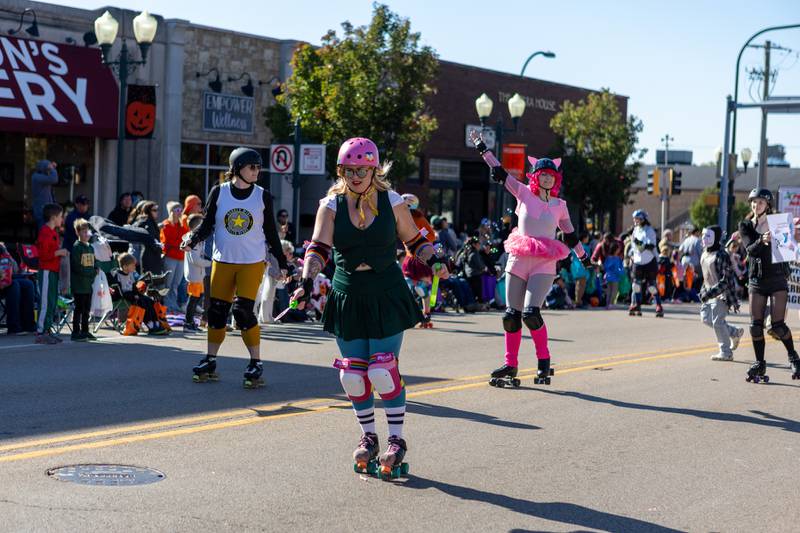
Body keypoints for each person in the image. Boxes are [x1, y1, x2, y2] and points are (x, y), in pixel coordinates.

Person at [290, 137, 441, 479]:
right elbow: (318, 248)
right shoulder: (331, 205)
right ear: (341, 171)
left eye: (363, 169)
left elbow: (414, 240)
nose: (356, 176)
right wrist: (306, 279)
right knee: (353, 375)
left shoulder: (393, 201)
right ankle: (369, 436)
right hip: (348, 293)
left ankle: (397, 440)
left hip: (385, 291)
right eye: (349, 170)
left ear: (375, 170)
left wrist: (436, 260)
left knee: (382, 370)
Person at [470, 130, 590, 388]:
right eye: (542, 174)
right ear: (535, 176)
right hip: (519, 256)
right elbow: (501, 173)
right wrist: (482, 148)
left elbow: (570, 235)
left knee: (531, 313)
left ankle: (543, 361)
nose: (546, 178)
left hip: (545, 262)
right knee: (511, 315)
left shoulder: (560, 205)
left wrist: (583, 257)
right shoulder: (523, 193)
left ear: (555, 178)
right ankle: (510, 364)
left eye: (551, 175)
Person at [182, 147, 287, 388]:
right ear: (238, 168)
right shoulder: (219, 192)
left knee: (242, 312)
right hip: (223, 261)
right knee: (216, 312)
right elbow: (207, 224)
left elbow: (271, 232)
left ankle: (255, 362)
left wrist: (282, 262)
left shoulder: (262, 195)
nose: (256, 171)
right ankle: (210, 359)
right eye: (252, 167)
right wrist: (192, 239)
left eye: (259, 167)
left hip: (251, 263)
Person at [739, 189, 800, 382]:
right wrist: (762, 239)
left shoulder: (779, 222)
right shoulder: (746, 225)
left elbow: (787, 248)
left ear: (768, 205)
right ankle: (759, 364)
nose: (757, 205)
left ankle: (794, 358)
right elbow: (750, 249)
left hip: (777, 279)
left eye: (761, 202)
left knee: (778, 325)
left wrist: (790, 234)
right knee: (755, 327)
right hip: (757, 279)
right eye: (754, 202)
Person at [699, 225, 744, 361]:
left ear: (716, 238)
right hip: (708, 292)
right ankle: (734, 332)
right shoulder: (705, 252)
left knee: (718, 322)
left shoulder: (721, 255)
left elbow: (726, 280)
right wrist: (703, 291)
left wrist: (711, 293)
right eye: (703, 235)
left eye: (708, 236)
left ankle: (726, 352)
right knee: (706, 319)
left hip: (722, 294)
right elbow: (706, 276)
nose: (704, 238)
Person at [109, 253, 168, 336]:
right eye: (132, 265)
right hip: (123, 296)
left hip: (132, 295)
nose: (134, 267)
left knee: (149, 300)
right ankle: (150, 325)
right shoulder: (117, 275)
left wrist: (139, 291)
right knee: (142, 302)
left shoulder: (132, 274)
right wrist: (133, 295)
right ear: (125, 267)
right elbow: (118, 292)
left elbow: (134, 287)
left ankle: (155, 323)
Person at [35, 203, 68, 344]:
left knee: (52, 301)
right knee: (45, 302)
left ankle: (48, 330)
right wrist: (58, 252)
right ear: (53, 217)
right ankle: (41, 331)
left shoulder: (54, 232)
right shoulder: (45, 232)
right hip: (47, 271)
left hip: (53, 271)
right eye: (61, 216)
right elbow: (43, 255)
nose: (62, 219)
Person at [628, 210, 664, 317]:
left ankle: (658, 306)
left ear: (643, 219)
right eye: (635, 219)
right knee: (636, 285)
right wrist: (630, 255)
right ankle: (637, 305)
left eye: (637, 219)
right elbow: (634, 247)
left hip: (649, 261)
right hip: (637, 261)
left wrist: (638, 243)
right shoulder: (635, 230)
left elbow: (651, 246)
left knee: (652, 286)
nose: (635, 221)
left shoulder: (649, 231)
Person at [69, 218, 97, 342]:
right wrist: (91, 272)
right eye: (84, 232)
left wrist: (96, 268)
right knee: (79, 309)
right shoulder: (76, 248)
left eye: (88, 232)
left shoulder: (90, 247)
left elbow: (94, 262)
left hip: (88, 285)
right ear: (78, 233)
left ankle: (85, 331)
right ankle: (75, 332)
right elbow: (76, 267)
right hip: (79, 284)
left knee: (87, 309)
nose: (87, 234)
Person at [0, 243, 36, 335]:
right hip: (4, 282)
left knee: (28, 284)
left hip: (5, 280)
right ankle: (13, 326)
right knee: (14, 285)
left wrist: (7, 255)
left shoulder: (2, 248)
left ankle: (28, 325)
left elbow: (16, 270)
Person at [183, 214, 211, 332]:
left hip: (199, 275)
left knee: (196, 299)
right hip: (194, 275)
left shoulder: (198, 238)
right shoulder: (191, 239)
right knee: (193, 300)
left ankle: (191, 321)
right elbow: (196, 260)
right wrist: (211, 263)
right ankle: (188, 322)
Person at [160, 201, 187, 313]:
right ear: (171, 212)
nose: (180, 212)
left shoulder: (182, 225)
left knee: (175, 284)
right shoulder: (166, 224)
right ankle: (166, 305)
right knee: (168, 284)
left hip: (181, 258)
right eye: (177, 210)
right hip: (170, 257)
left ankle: (173, 305)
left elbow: (186, 237)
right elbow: (167, 242)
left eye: (181, 210)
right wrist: (179, 244)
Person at [132, 201, 163, 275]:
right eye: (154, 210)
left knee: (154, 281)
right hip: (149, 256)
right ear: (148, 211)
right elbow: (150, 239)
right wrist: (158, 247)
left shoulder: (150, 221)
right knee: (149, 281)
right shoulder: (146, 222)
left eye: (157, 210)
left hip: (153, 255)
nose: (157, 212)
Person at [31, 160, 58, 229]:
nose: (49, 171)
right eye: (48, 169)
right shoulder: (36, 177)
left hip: (47, 211)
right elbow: (54, 179)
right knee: (44, 233)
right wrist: (52, 168)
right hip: (41, 212)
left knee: (48, 234)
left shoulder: (43, 178)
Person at [679, 226, 703, 290]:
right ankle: (693, 291)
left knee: (684, 277)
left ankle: (685, 291)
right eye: (699, 232)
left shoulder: (686, 239)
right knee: (696, 278)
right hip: (693, 261)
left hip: (684, 260)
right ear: (696, 232)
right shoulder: (697, 240)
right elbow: (700, 252)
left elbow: (680, 249)